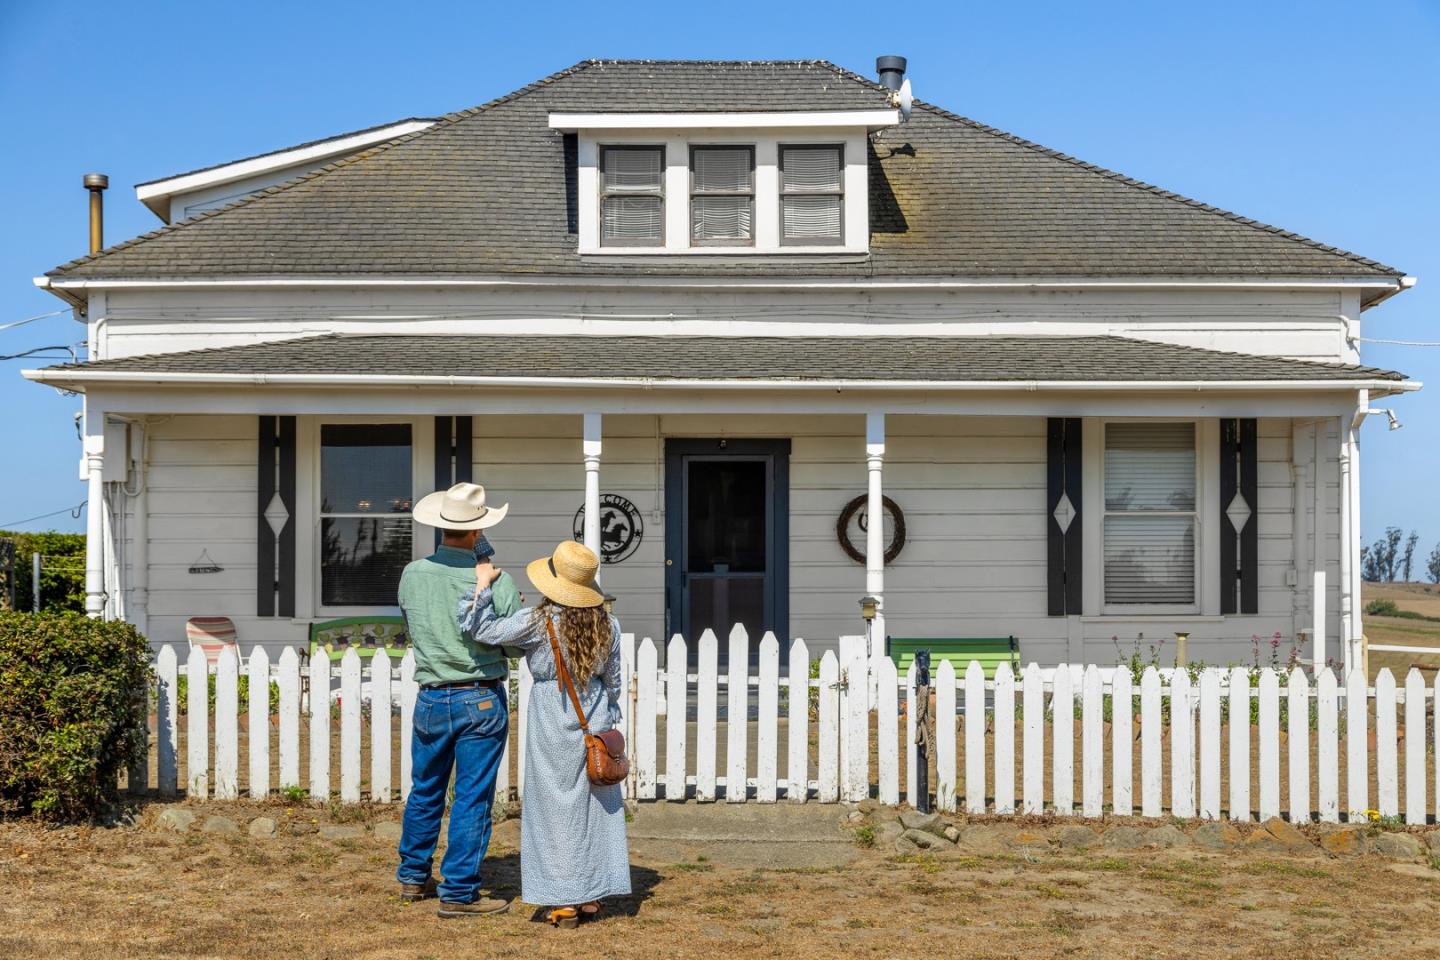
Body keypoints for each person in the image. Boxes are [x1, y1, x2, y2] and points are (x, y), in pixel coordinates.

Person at [458, 540, 631, 928]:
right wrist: (609, 713)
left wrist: (482, 586)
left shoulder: (538, 621)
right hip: (595, 714)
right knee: (593, 807)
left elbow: (480, 628)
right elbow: (614, 679)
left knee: (554, 809)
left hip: (552, 714)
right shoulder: (608, 623)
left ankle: (564, 899)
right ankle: (589, 894)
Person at [395, 482, 522, 917]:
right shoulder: (496, 582)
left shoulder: (413, 574)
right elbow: (516, 645)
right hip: (479, 695)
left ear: (442, 528)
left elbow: (412, 621)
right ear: (477, 532)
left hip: (430, 696)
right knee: (471, 796)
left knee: (425, 790)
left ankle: (413, 875)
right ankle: (459, 890)